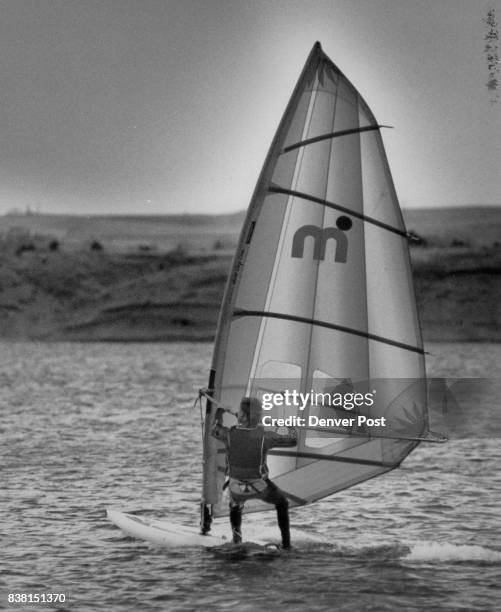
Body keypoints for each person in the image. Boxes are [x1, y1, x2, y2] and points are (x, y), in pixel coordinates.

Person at [211, 396, 297, 549]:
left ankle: (237, 539)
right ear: (258, 416)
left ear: (242, 416)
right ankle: (286, 545)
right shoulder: (265, 435)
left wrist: (220, 412)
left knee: (235, 503)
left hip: (236, 488)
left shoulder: (229, 434)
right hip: (261, 487)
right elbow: (292, 440)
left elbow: (214, 429)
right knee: (282, 503)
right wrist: (282, 423)